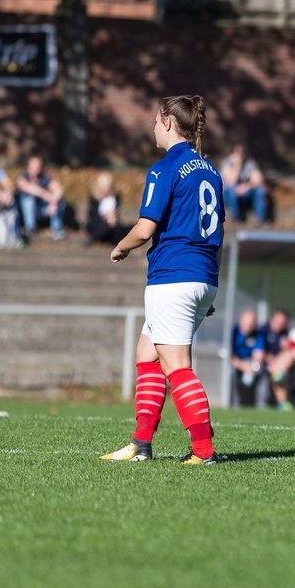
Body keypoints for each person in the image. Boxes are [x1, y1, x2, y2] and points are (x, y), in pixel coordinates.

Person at [100, 95, 225, 465]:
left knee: (176, 366)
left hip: (173, 277)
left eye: (156, 120)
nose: (153, 126)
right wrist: (206, 286)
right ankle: (141, 444)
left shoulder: (164, 168)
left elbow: (144, 229)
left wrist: (120, 247)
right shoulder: (212, 171)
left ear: (169, 122)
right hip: (200, 275)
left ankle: (203, 451)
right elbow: (218, 233)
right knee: (146, 354)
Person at [16, 156, 67, 241]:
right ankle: (30, 229)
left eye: (38, 166)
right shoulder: (22, 177)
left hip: (40, 210)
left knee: (60, 202)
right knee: (28, 198)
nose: (36, 169)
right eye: (34, 166)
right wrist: (47, 196)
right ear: (28, 166)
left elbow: (60, 190)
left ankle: (57, 230)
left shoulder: (44, 178)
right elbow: (28, 188)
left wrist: (53, 202)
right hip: (22, 212)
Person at [220, 144, 268, 224]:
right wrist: (237, 165)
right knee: (232, 189)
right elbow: (232, 181)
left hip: (245, 194)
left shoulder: (249, 163)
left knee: (260, 189)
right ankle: (236, 218)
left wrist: (247, 186)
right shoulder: (226, 163)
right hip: (228, 196)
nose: (240, 155)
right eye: (237, 152)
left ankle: (260, 218)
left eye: (242, 153)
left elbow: (259, 180)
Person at [85, 172, 131, 246]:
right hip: (98, 224)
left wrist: (113, 218)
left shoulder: (115, 198)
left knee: (123, 229)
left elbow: (117, 214)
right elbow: (93, 216)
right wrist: (106, 219)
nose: (106, 189)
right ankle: (94, 239)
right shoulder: (94, 199)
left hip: (113, 224)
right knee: (105, 227)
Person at [230, 309, 262, 408]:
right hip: (237, 364)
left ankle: (261, 405)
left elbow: (259, 355)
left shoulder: (258, 334)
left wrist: (253, 367)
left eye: (250, 324)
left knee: (262, 372)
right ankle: (234, 404)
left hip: (250, 364)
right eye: (245, 324)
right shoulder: (233, 332)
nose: (247, 327)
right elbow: (230, 356)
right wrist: (243, 367)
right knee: (231, 372)